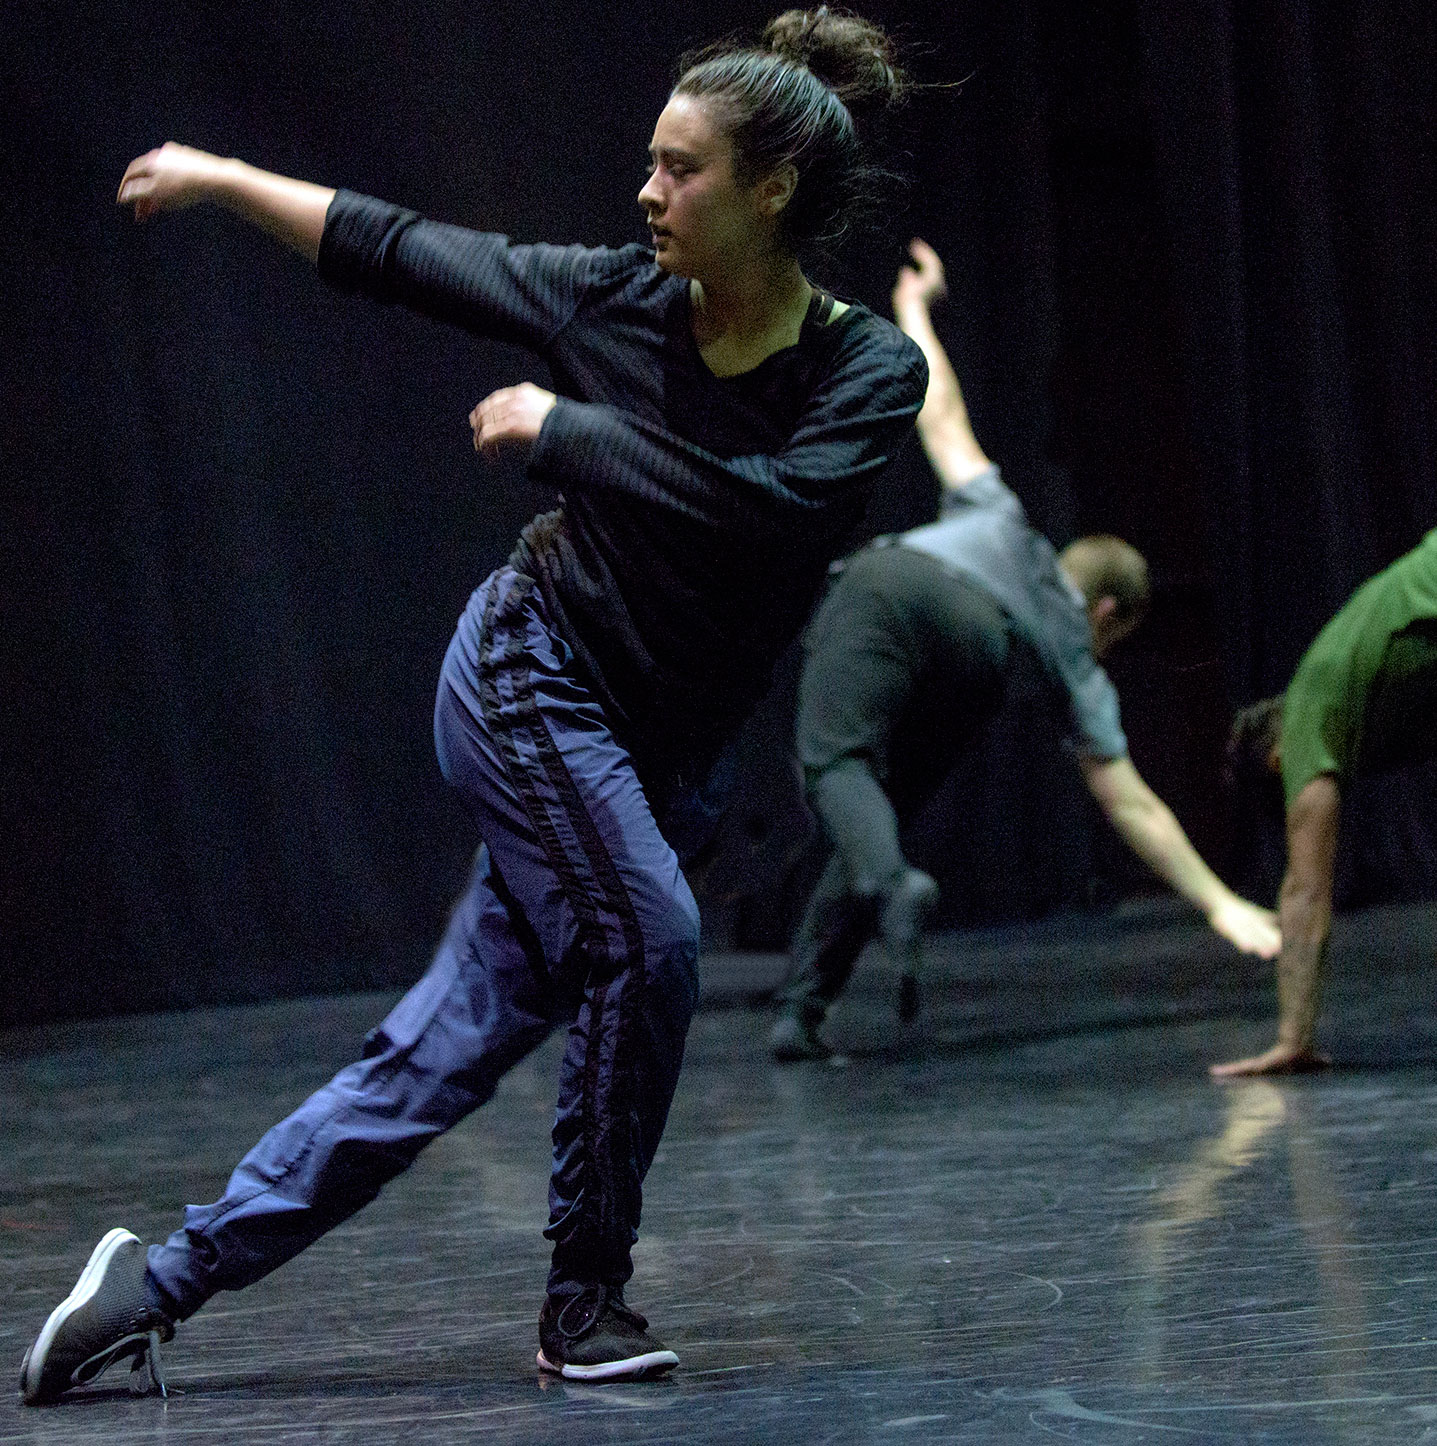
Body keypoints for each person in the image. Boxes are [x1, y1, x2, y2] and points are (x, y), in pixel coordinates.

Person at [21, 11, 928, 1402]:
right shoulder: (612, 300)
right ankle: (585, 1300)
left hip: (645, 754)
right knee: (652, 939)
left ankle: (154, 1279)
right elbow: (394, 247)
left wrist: (570, 433)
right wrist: (216, 173)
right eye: (646, 163)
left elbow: (776, 519)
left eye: (679, 171)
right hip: (529, 677)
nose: (646, 193)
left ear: (772, 192)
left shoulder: (868, 372)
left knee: (434, 1061)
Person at [770, 239, 1281, 1062]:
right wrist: (1220, 905)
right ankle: (801, 1008)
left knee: (835, 765)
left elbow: (938, 412)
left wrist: (911, 308)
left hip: (900, 591)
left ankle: (889, 888)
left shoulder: (1001, 515)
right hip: (974, 665)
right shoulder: (1073, 652)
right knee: (875, 816)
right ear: (1106, 610)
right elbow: (1131, 802)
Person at [1213, 530, 1437, 1077]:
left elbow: (1306, 890)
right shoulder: (1371, 700)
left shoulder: (1309, 712)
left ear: (1273, 759)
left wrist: (1293, 1037)